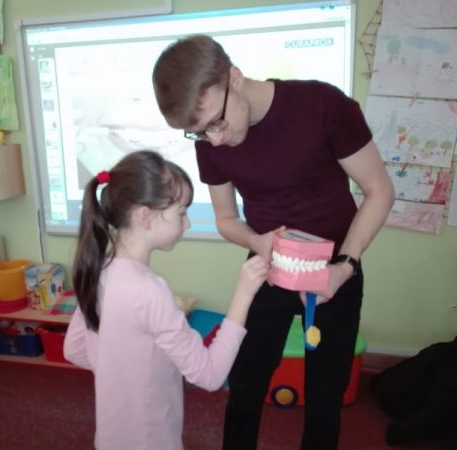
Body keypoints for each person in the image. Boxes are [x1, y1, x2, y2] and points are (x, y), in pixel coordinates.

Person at [152, 35, 395, 450]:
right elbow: (227, 219)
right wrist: (258, 241)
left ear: (234, 78)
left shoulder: (323, 105)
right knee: (246, 381)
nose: (213, 140)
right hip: (267, 265)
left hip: (336, 268)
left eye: (216, 123)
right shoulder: (211, 141)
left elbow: (379, 190)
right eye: (198, 134)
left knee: (325, 393)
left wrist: (345, 266)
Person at [63, 150, 269, 450]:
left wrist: (123, 371)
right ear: (145, 217)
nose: (187, 224)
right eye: (181, 212)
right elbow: (210, 375)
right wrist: (244, 293)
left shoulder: (99, 272)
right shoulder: (149, 290)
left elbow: (74, 350)